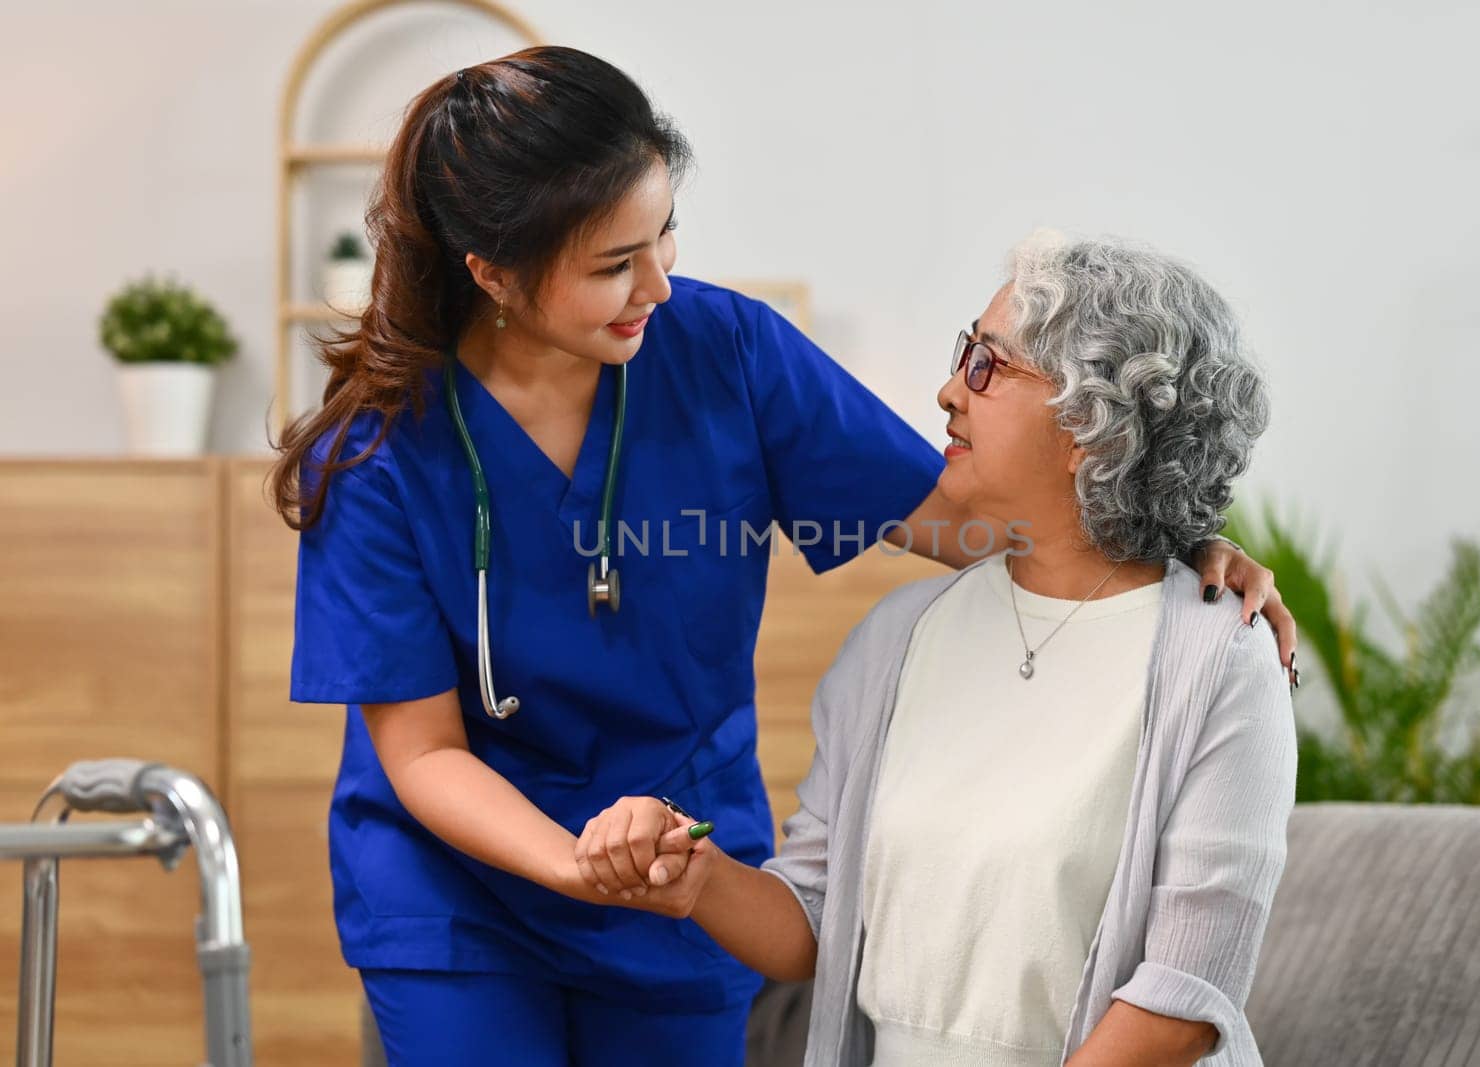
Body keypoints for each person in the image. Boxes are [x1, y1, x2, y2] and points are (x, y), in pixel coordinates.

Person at [272, 46, 1293, 1066]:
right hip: (462, 895)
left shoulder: (727, 354)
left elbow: (964, 514)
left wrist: (1169, 537)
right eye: (613, 264)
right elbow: (424, 752)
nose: (660, 285)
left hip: (680, 861)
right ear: (493, 272)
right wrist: (580, 863)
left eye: (663, 233)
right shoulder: (376, 451)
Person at [577, 234, 1298, 1066]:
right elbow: (813, 920)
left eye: (988, 364)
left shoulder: (1221, 663)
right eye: (966, 354)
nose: (949, 390)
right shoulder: (896, 638)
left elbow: (1181, 1005)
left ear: (1090, 426)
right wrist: (695, 870)